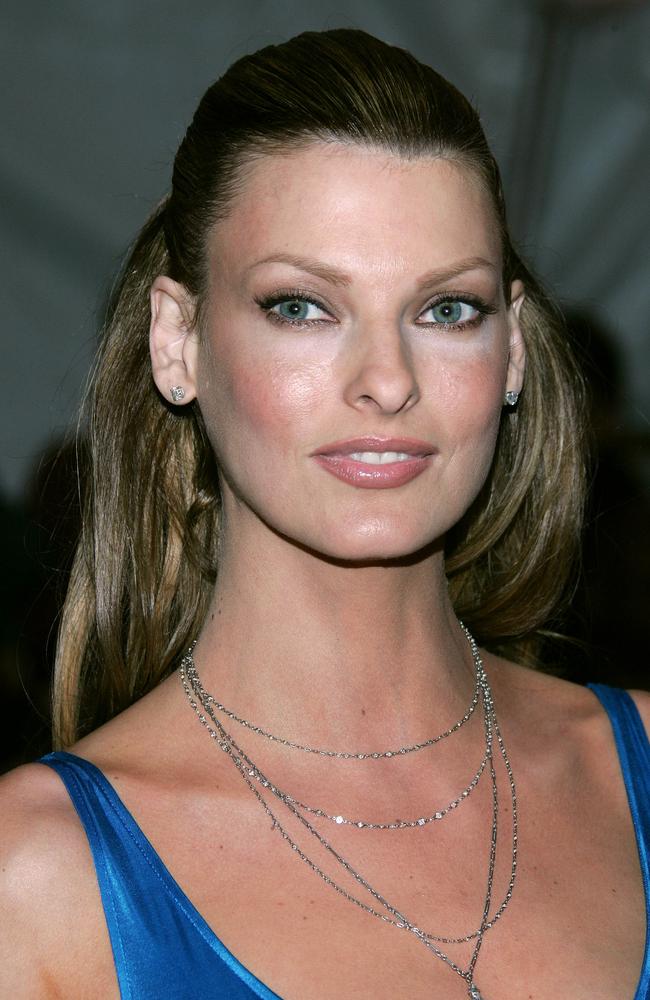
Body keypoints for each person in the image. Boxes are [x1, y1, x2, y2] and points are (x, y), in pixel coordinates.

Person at [1, 28, 648, 1000]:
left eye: (445, 310)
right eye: (301, 307)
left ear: (511, 350)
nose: (386, 381)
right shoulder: (34, 878)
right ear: (177, 342)